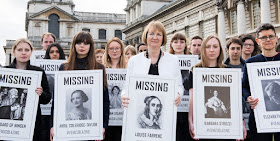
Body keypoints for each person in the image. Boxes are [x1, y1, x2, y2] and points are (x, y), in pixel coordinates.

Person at [121, 20, 184, 138]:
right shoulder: (134, 61)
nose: (155, 37)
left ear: (163, 38)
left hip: (164, 118)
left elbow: (179, 86)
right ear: (146, 36)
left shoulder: (173, 60)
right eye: (151, 34)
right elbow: (126, 87)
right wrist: (124, 96)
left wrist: (178, 94)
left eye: (159, 34)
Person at [50, 31, 109, 141]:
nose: (82, 46)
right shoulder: (64, 67)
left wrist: (103, 126)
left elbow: (105, 100)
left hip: (91, 130)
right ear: (74, 45)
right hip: (68, 130)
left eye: (86, 43)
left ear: (91, 46)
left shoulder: (99, 68)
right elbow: (57, 101)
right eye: (79, 43)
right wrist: (52, 125)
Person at [188, 35, 246, 140]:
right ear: (203, 49)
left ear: (220, 49)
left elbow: (235, 100)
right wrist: (191, 121)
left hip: (224, 127)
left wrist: (240, 123)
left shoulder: (228, 71)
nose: (211, 50)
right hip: (203, 125)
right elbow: (192, 99)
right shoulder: (195, 70)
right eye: (208, 46)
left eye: (215, 46)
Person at [5, 38, 51, 140]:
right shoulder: (4, 72)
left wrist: (41, 93)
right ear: (13, 52)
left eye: (27, 50)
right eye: (20, 50)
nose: (23, 53)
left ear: (31, 52)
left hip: (32, 124)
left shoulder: (38, 72)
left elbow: (47, 98)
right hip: (8, 124)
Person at [243, 23, 280, 141]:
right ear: (258, 41)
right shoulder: (251, 63)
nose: (268, 40)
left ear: (276, 38)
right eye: (264, 37)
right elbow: (244, 87)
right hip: (260, 116)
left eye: (271, 36)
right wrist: (248, 98)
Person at [168, 32, 192, 141]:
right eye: (175, 42)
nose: (179, 44)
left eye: (182, 42)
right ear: (171, 44)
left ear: (186, 44)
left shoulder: (193, 60)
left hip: (188, 107)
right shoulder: (165, 60)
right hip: (172, 106)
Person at [103, 37, 127, 141]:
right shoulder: (101, 68)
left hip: (123, 116)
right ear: (107, 51)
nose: (114, 51)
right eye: (111, 48)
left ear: (122, 50)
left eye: (117, 48)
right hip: (106, 117)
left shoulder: (129, 68)